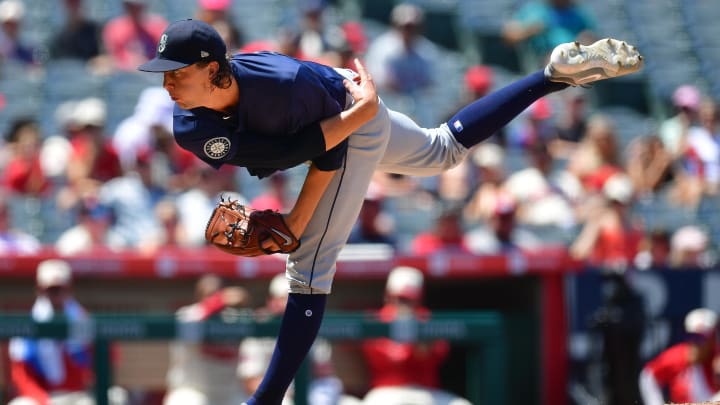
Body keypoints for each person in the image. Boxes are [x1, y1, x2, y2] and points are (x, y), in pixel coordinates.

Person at [137, 19, 643, 404]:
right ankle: (553, 76)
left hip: (345, 112)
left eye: (176, 73)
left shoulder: (282, 85)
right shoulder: (188, 126)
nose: (167, 85)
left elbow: (325, 153)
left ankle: (264, 400)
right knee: (443, 151)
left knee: (308, 269)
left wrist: (295, 223)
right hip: (344, 108)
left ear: (213, 68)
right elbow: (275, 157)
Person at [7, 259, 128, 405]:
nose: (56, 295)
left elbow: (107, 359)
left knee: (116, 397)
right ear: (40, 290)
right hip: (45, 396)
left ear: (69, 289)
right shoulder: (28, 324)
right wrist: (42, 400)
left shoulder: (83, 319)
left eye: (60, 289)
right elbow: (21, 375)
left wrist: (93, 381)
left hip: (80, 395)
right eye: (51, 290)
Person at [360, 266, 470, 405]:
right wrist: (409, 345)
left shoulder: (426, 319)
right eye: (400, 298)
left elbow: (439, 355)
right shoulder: (377, 321)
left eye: (408, 299)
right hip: (388, 390)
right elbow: (391, 360)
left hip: (426, 391)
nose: (403, 304)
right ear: (388, 296)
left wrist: (423, 347)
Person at [164, 274, 252, 405]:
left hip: (229, 394)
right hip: (191, 391)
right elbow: (194, 319)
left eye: (218, 293)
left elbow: (257, 322)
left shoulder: (233, 317)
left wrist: (245, 303)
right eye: (210, 294)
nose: (215, 297)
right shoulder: (188, 314)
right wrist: (218, 301)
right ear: (200, 296)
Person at [639, 308, 720, 405]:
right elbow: (648, 376)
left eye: (700, 338)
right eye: (691, 336)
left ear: (712, 340)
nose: (695, 343)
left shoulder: (717, 358)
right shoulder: (676, 356)